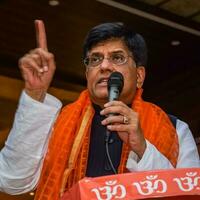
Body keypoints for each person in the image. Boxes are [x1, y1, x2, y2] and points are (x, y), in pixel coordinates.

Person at [0, 20, 199, 199]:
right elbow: (11, 181)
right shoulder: (57, 123)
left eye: (117, 57)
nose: (104, 65)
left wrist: (142, 149)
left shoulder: (175, 129)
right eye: (95, 59)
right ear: (87, 73)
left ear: (139, 76)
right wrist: (35, 93)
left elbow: (189, 195)